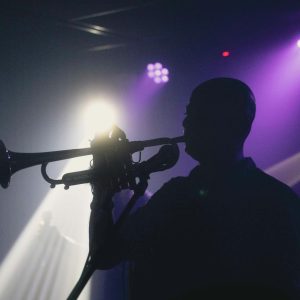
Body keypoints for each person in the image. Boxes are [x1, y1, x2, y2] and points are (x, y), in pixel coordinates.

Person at [89, 78, 300, 300]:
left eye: (197, 114)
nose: (186, 123)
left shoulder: (274, 201)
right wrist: (102, 192)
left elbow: (104, 255)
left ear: (232, 123)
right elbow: (105, 256)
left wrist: (102, 193)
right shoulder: (177, 193)